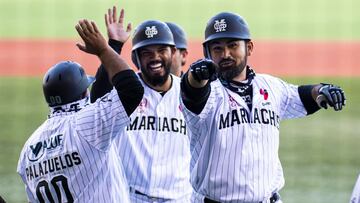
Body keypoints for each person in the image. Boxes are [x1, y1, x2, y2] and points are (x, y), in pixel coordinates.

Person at [180, 12, 346, 203]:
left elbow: (304, 95)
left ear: (249, 47)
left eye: (232, 46)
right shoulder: (210, 93)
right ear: (207, 53)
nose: (225, 54)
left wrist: (322, 90)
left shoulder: (271, 86)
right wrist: (195, 75)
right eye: (217, 49)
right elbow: (192, 93)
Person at [17, 19, 144, 202]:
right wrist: (104, 50)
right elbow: (132, 89)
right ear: (84, 92)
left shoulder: (28, 150)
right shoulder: (87, 125)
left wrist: (114, 45)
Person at [90, 6, 192, 202]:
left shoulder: (190, 92)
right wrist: (113, 46)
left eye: (161, 50)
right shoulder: (125, 92)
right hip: (128, 196)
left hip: (179, 198)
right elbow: (97, 100)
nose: (155, 57)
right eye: (146, 53)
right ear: (136, 58)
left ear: (173, 52)